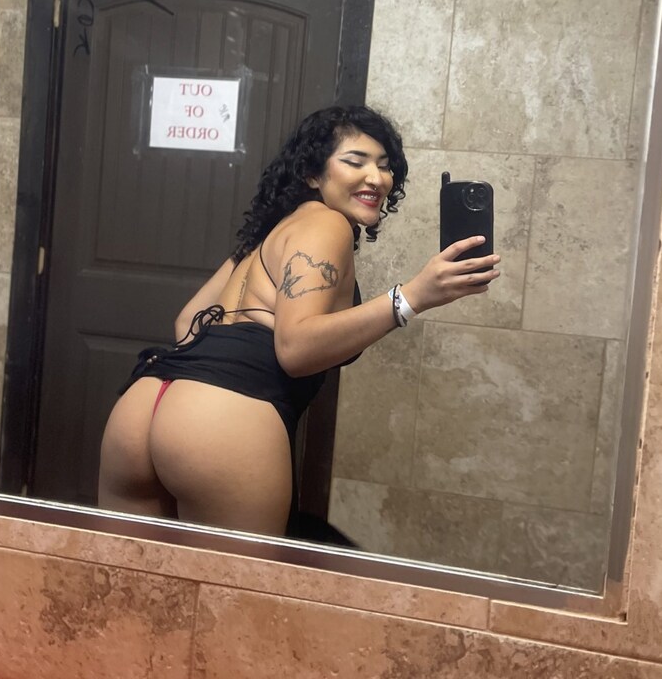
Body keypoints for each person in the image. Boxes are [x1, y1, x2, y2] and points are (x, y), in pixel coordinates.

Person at [98, 105, 500, 537]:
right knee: (240, 583)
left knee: (125, 578)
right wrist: (413, 297)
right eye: (355, 161)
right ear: (312, 174)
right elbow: (296, 349)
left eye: (384, 166)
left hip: (146, 403)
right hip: (220, 423)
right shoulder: (328, 223)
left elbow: (187, 322)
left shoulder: (270, 233)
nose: (376, 178)